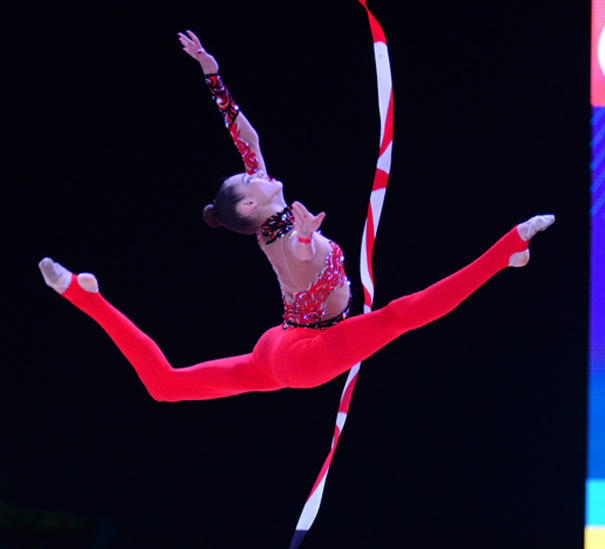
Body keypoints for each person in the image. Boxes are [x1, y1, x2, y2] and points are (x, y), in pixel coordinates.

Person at [38, 31, 553, 402]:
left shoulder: (269, 214)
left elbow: (249, 141)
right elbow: (299, 256)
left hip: (285, 347)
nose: (259, 173)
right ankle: (508, 248)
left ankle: (88, 298)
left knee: (166, 385)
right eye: (252, 181)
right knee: (400, 317)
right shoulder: (283, 237)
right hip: (306, 352)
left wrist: (213, 75)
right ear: (247, 206)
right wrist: (307, 239)